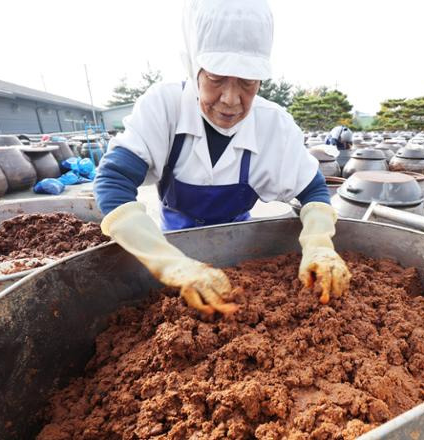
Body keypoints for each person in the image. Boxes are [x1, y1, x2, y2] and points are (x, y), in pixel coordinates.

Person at [94, 0, 351, 315]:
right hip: (175, 242)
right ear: (194, 66)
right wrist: (171, 265)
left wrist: (318, 245)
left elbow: (312, 191)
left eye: (247, 82)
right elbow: (113, 181)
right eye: (216, 78)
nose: (231, 99)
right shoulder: (164, 107)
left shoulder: (274, 125)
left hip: (242, 251)